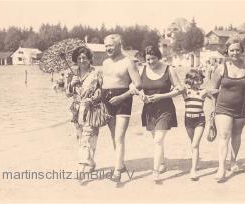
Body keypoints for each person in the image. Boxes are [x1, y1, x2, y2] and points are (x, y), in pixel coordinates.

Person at [209, 36, 245, 181]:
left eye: (237, 50)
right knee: (224, 136)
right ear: (227, 51)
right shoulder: (220, 68)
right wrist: (213, 109)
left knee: (237, 134)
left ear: (241, 50)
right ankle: (221, 168)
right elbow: (213, 90)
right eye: (232, 50)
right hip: (223, 107)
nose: (235, 53)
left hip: (243, 106)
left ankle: (233, 163)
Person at [137, 46, 182, 182]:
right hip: (149, 110)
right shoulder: (142, 69)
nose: (150, 62)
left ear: (159, 57)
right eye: (147, 59)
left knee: (158, 140)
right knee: (156, 139)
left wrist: (162, 96)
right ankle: (162, 163)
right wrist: (141, 96)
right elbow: (135, 88)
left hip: (165, 109)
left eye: (153, 59)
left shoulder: (169, 69)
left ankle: (155, 172)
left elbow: (180, 88)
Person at [101, 34, 141, 182]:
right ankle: (121, 164)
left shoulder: (128, 62)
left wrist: (122, 97)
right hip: (107, 101)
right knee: (114, 136)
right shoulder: (105, 62)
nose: (108, 48)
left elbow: (138, 84)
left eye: (110, 45)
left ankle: (117, 171)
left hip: (122, 100)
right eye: (105, 46)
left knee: (119, 137)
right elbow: (103, 81)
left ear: (119, 45)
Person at [66, 46, 102, 173]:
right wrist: (72, 84)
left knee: (88, 137)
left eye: (84, 58)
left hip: (91, 110)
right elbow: (68, 94)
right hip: (76, 111)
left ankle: (81, 167)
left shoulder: (96, 73)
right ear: (76, 59)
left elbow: (101, 92)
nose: (82, 60)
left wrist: (91, 99)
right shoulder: (71, 74)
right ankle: (91, 162)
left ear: (89, 59)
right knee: (81, 139)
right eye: (79, 58)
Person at [182, 69, 217, 181]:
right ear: (190, 80)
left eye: (200, 80)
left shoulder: (204, 91)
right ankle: (195, 162)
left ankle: (193, 170)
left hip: (200, 120)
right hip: (188, 120)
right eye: (195, 80)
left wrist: (213, 109)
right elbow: (176, 88)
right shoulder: (185, 91)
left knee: (195, 144)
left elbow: (213, 98)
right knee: (193, 144)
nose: (198, 82)